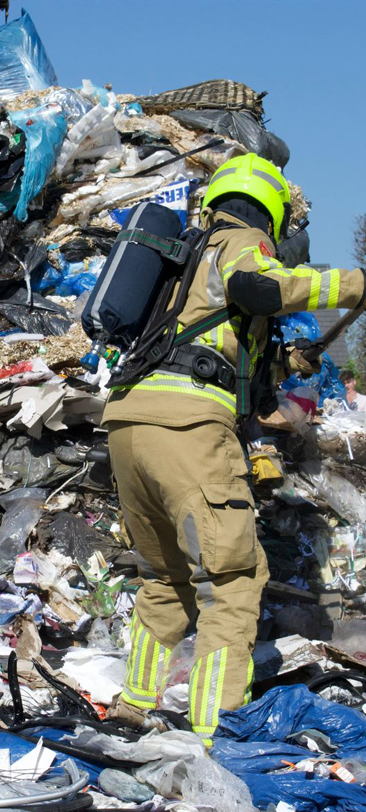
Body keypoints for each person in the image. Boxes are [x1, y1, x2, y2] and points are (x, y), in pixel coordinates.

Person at [104, 153, 366, 744]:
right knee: (231, 581)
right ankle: (213, 731)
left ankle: (134, 704)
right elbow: (259, 286)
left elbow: (221, 344)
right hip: (188, 429)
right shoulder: (241, 239)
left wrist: (292, 361)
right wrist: (353, 283)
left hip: (129, 423)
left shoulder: (182, 260)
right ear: (269, 211)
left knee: (163, 577)